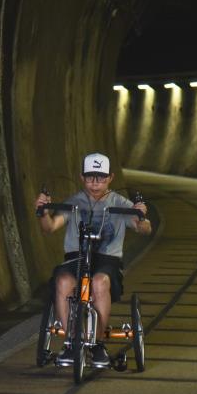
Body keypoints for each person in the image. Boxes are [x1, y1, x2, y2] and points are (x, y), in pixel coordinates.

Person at [34, 152, 151, 368]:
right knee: (63, 281)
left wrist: (141, 215)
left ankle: (97, 344)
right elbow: (50, 227)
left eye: (101, 177)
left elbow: (144, 228)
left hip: (107, 260)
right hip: (77, 257)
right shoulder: (74, 202)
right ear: (82, 177)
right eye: (90, 177)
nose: (95, 183)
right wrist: (43, 212)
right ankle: (71, 343)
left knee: (99, 282)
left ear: (110, 177)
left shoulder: (119, 202)